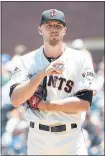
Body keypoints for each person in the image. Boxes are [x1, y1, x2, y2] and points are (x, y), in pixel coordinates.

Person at [10, 9, 96, 155]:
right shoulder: (26, 61)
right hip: (39, 138)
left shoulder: (80, 59)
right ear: (40, 30)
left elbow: (84, 103)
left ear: (64, 30)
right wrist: (42, 73)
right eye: (48, 25)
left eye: (58, 25)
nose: (54, 29)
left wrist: (45, 106)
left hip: (71, 137)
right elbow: (15, 99)